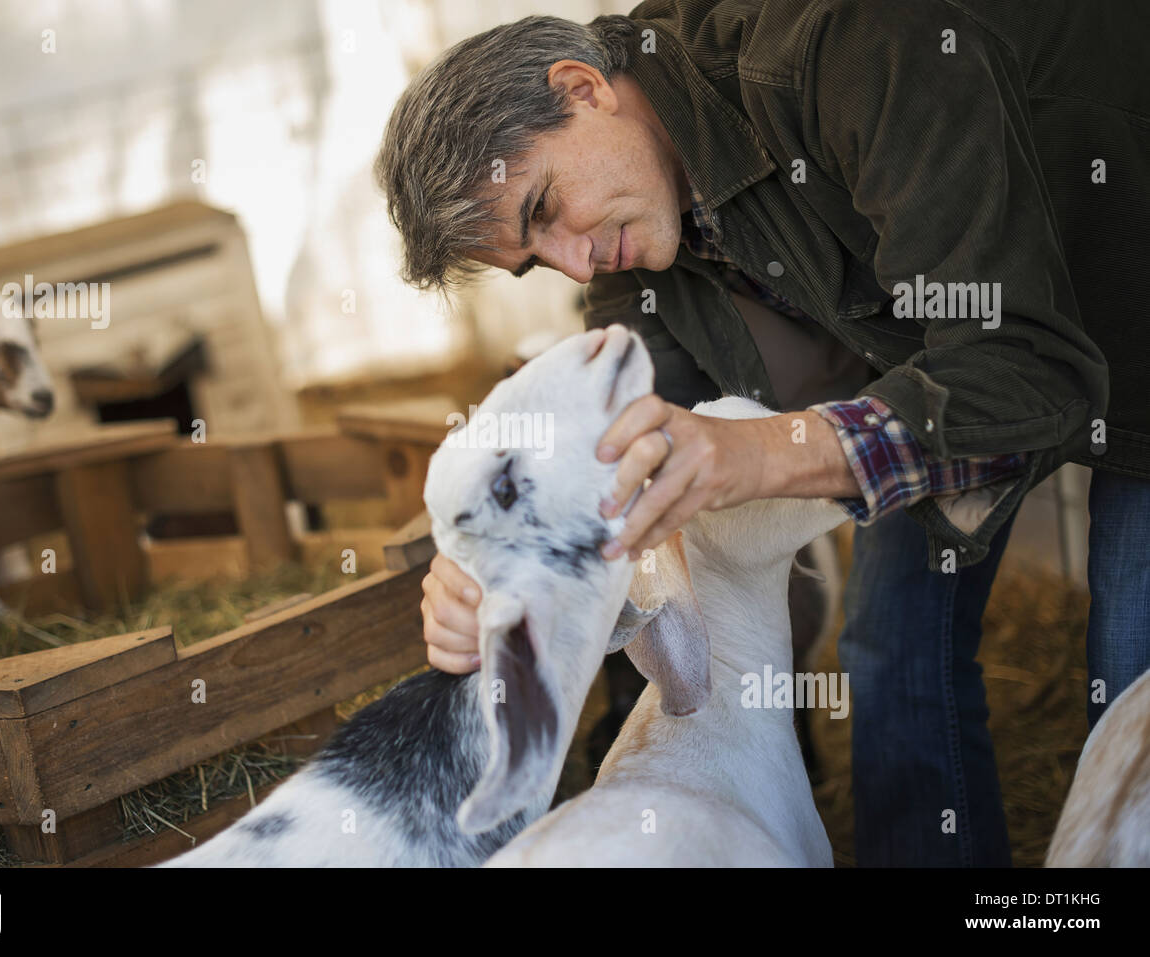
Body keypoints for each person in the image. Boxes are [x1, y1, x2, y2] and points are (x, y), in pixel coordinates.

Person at [373, 0, 1150, 866]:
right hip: (960, 358)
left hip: (1127, 303)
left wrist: (759, 452)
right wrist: (488, 571)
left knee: (1128, 682)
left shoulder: (849, 42)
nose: (574, 263)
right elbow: (610, 453)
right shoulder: (647, 234)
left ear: (583, 87)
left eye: (546, 208)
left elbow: (1024, 365)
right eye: (535, 260)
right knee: (888, 647)